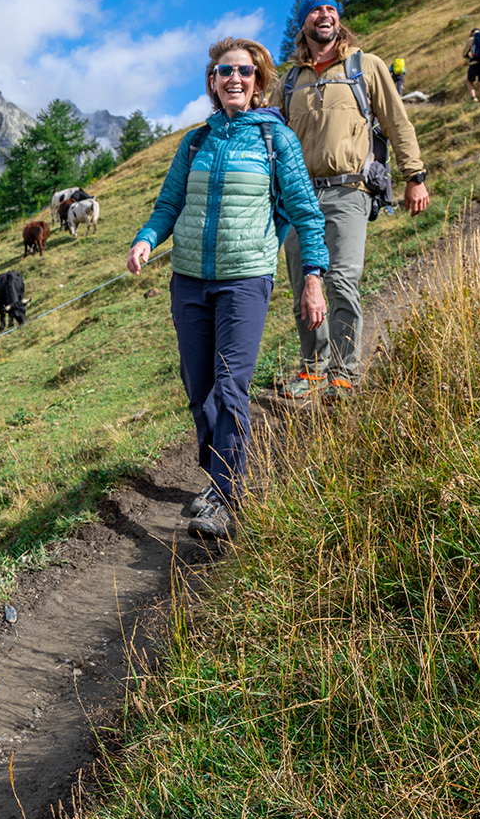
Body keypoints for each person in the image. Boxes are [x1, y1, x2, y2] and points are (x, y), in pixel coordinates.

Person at [126, 38, 329, 540]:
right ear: (213, 82)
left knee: (229, 386)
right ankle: (221, 479)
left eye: (243, 71)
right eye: (223, 71)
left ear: (258, 81)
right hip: (189, 281)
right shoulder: (195, 142)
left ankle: (225, 497)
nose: (233, 78)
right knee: (199, 390)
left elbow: (305, 211)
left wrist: (313, 279)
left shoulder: (274, 140)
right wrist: (146, 240)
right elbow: (168, 203)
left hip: (245, 280)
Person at [278, 0, 428, 402]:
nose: (324, 15)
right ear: (303, 23)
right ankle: (312, 369)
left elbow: (397, 121)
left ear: (338, 19)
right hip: (299, 198)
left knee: (342, 279)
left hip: (349, 189)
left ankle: (343, 372)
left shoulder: (366, 66)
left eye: (330, 9)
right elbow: (269, 137)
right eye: (315, 9)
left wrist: (414, 174)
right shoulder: (289, 81)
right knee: (304, 286)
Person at [462, 27, 480, 102]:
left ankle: (474, 98)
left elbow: (464, 53)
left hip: (474, 62)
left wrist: (469, 57)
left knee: (470, 81)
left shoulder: (471, 40)